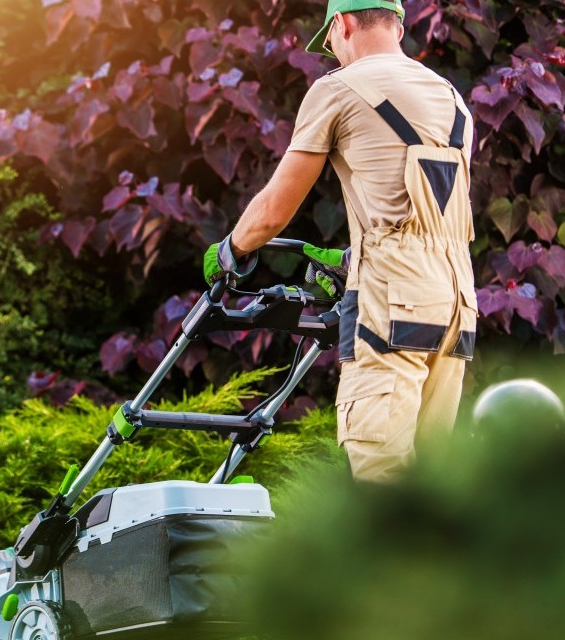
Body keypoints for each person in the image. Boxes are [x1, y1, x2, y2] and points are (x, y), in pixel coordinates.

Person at [201, 0, 477, 482]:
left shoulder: (337, 90)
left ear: (342, 24)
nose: (333, 53)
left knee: (382, 474)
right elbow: (424, 210)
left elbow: (273, 213)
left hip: (393, 303)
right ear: (396, 25)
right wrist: (357, 254)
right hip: (456, 302)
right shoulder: (451, 97)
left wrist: (230, 251)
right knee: (433, 484)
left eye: (330, 42)